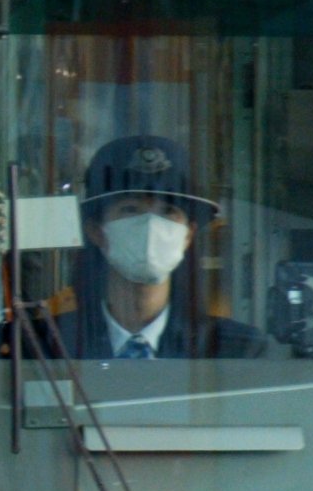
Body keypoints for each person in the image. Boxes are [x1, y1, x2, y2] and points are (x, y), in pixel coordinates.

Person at [60, 130, 265, 362]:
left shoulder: (236, 351)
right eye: (130, 209)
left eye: (168, 211)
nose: (150, 225)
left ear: (189, 234)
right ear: (96, 231)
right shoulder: (50, 346)